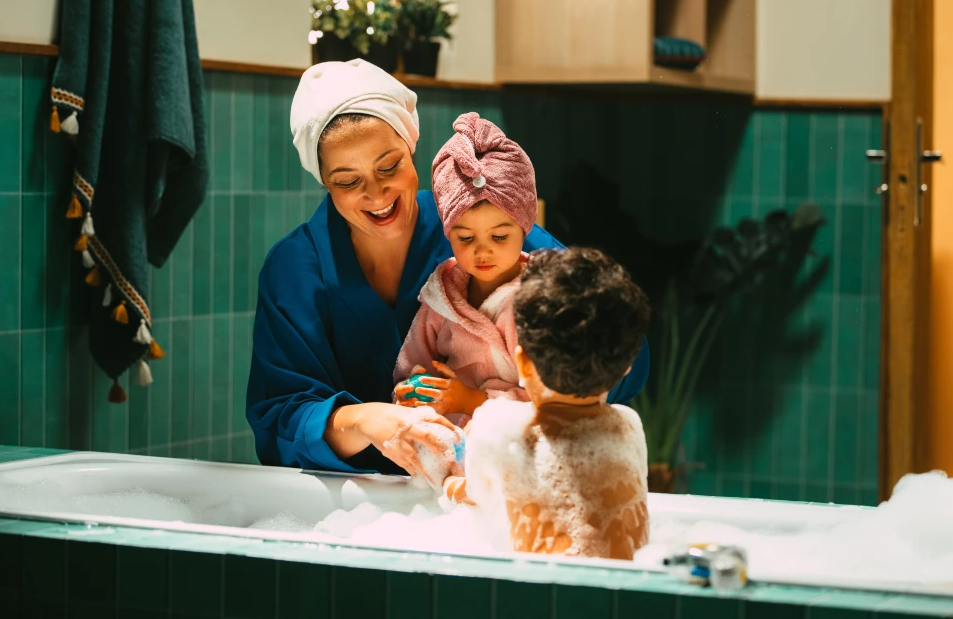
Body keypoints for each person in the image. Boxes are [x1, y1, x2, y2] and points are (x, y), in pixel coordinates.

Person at [245, 58, 651, 480]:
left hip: (492, 489)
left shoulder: (481, 223)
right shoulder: (294, 271)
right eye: (347, 181)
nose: (376, 193)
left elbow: (618, 346)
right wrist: (365, 421)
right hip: (359, 500)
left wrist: (496, 398)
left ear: (411, 147)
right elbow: (280, 417)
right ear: (324, 181)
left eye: (389, 166)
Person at [443, 247, 651, 561]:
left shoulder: (499, 429)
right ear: (626, 368)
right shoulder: (628, 426)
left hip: (546, 587)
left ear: (523, 364)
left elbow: (473, 495)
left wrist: (447, 480)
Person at [392, 112, 538, 427]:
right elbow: (412, 366)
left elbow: (551, 403)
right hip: (453, 435)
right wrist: (409, 393)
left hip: (516, 439)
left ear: (525, 227)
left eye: (499, 237)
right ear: (449, 235)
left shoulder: (542, 300)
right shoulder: (442, 297)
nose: (482, 251)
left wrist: (471, 401)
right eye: (466, 238)